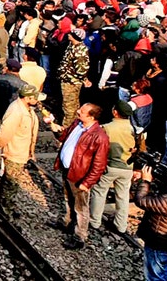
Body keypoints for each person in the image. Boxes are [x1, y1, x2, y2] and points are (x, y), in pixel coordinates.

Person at [49, 102, 109, 250]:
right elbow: (64, 136)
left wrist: (87, 182)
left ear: (92, 117)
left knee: (81, 208)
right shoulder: (77, 123)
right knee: (67, 198)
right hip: (68, 170)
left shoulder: (100, 137)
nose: (77, 112)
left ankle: (80, 237)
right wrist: (56, 129)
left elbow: (99, 164)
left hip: (80, 176)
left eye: (81, 111)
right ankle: (67, 222)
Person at [89, 100, 136, 235]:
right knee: (123, 196)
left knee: (99, 191)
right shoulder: (134, 129)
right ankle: (121, 225)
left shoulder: (106, 128)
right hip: (127, 167)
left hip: (110, 166)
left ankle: (95, 221)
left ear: (115, 112)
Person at [0, 83, 43, 217]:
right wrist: (0, 144)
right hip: (14, 152)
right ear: (28, 98)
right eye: (35, 98)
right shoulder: (16, 111)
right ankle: (5, 209)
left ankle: (7, 204)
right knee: (11, 182)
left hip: (21, 151)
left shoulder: (26, 108)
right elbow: (6, 131)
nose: (37, 100)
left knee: (12, 182)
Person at [0, 59, 25, 171]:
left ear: (7, 68)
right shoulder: (23, 85)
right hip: (12, 117)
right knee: (8, 141)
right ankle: (3, 168)